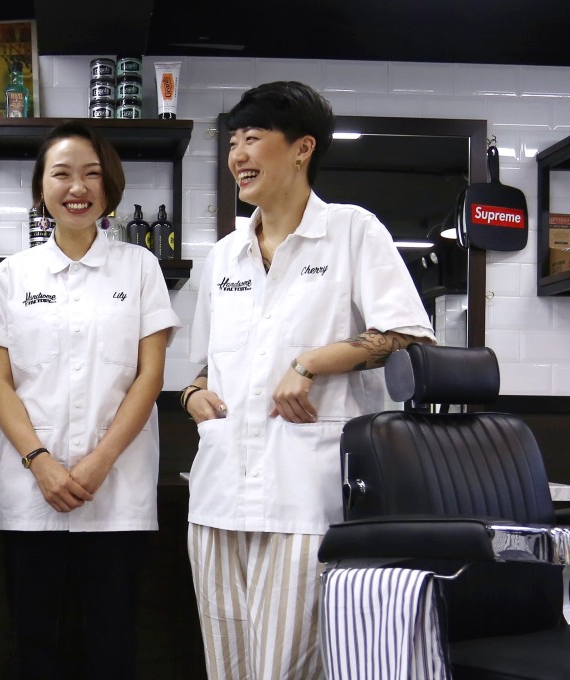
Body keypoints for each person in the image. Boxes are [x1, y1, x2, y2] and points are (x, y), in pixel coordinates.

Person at [182, 81, 437, 679]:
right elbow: (202, 364)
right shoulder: (223, 257)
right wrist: (194, 395)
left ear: (302, 149)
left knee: (286, 671)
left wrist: (310, 362)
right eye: (233, 141)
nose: (238, 154)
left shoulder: (352, 231)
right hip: (218, 496)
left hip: (304, 494)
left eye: (254, 138)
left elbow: (407, 335)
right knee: (228, 671)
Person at [0, 121, 180, 680]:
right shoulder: (13, 275)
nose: (77, 187)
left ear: (109, 187)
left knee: (112, 645)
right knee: (34, 643)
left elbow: (149, 375)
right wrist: (40, 463)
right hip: (31, 491)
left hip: (117, 491)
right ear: (41, 188)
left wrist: (99, 460)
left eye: (92, 174)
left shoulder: (141, 268)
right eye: (61, 174)